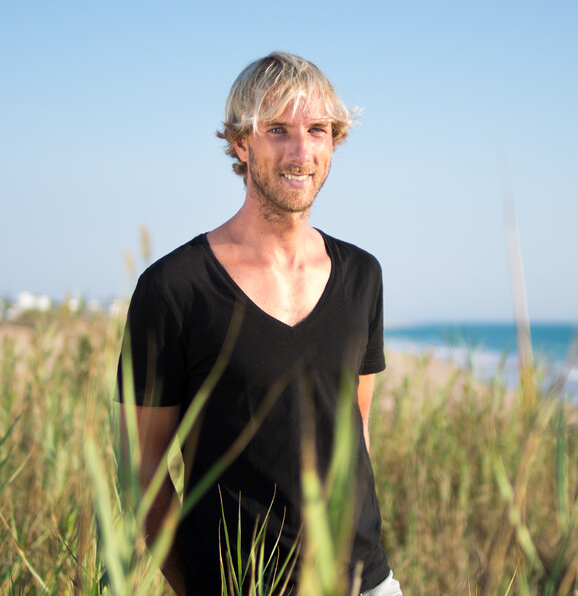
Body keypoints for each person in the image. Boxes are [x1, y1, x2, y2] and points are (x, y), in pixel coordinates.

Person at [117, 52, 402, 596]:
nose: (301, 152)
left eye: (317, 130)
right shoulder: (173, 288)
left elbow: (356, 427)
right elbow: (141, 469)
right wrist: (195, 584)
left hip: (366, 583)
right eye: (277, 130)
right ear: (241, 144)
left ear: (333, 142)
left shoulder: (363, 275)